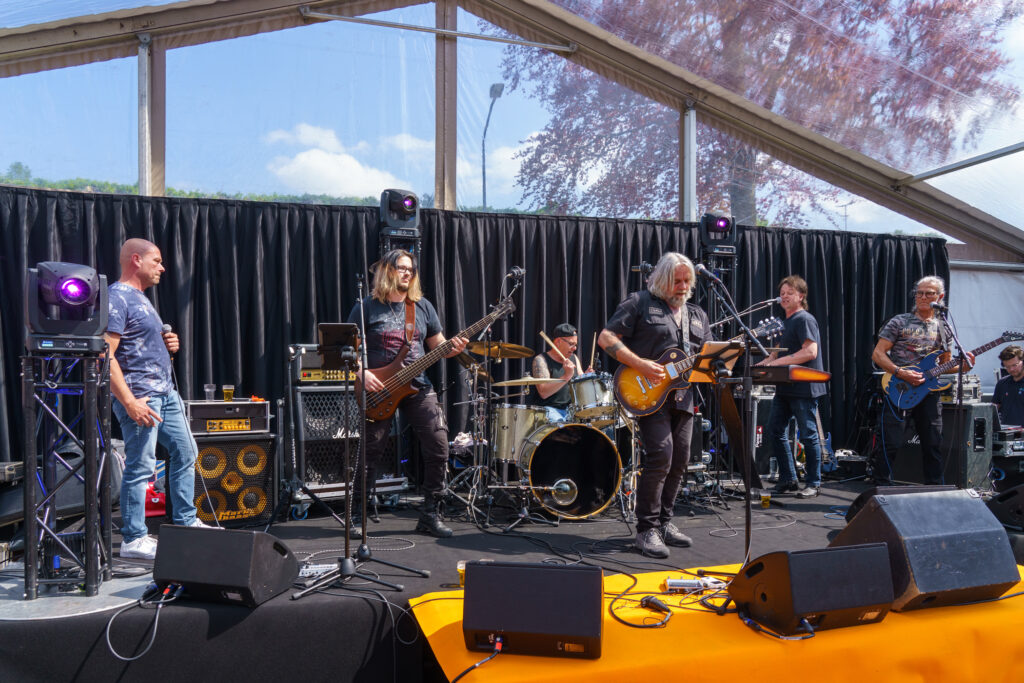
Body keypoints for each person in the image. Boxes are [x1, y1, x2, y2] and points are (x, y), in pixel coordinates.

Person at [347, 249, 467, 538]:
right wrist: (362, 373)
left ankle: (429, 514)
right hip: (379, 389)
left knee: (439, 445)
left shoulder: (422, 306)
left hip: (417, 386)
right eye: (401, 268)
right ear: (387, 270)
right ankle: (355, 514)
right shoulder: (366, 307)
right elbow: (349, 351)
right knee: (370, 452)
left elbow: (438, 344)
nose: (407, 273)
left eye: (411, 270)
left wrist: (454, 348)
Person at [598, 252, 712, 558]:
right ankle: (646, 529)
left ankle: (664, 523)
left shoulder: (697, 315)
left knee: (680, 461)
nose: (683, 286)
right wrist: (642, 365)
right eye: (677, 281)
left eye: (688, 281)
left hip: (684, 397)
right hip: (649, 396)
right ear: (662, 279)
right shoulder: (639, 303)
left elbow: (706, 357)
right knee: (661, 456)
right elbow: (606, 338)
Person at [106, 238, 206, 561]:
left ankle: (186, 522)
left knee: (186, 450)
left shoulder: (142, 300)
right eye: (157, 260)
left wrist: (169, 345)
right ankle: (133, 538)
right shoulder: (117, 297)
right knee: (141, 464)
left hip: (165, 391)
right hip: (141, 395)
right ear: (136, 260)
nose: (162, 267)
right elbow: (104, 356)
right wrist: (130, 402)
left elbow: (139, 348)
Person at [870, 276, 973, 485]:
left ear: (940, 297)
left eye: (929, 293)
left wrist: (963, 365)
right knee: (891, 441)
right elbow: (878, 354)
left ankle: (935, 489)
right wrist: (900, 372)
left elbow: (945, 365)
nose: (923, 297)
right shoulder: (900, 321)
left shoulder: (944, 327)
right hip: (898, 387)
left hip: (928, 393)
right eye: (919, 293)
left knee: (933, 442)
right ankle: (881, 487)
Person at [757, 276, 827, 498]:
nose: (784, 296)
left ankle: (814, 483)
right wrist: (763, 363)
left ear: (801, 296)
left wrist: (775, 362)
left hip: (804, 387)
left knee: (808, 435)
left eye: (790, 292)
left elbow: (810, 352)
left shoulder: (804, 319)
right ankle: (789, 479)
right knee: (776, 430)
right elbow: (777, 352)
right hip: (785, 386)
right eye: (783, 292)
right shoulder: (784, 322)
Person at [529, 322, 590, 421]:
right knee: (561, 426)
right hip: (549, 409)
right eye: (571, 344)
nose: (574, 348)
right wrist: (566, 376)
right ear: (558, 342)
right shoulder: (541, 360)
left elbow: (580, 385)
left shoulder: (574, 358)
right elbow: (544, 392)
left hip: (571, 409)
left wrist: (586, 377)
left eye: (575, 345)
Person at [995, 345, 1024, 427]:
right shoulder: (1002, 383)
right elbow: (994, 409)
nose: (1011, 369)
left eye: (1015, 365)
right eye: (1007, 367)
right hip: (1007, 435)